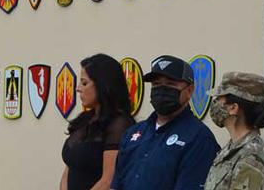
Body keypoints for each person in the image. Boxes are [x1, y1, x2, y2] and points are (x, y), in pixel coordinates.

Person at [111, 55, 220, 190]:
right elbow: (116, 184)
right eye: (156, 84)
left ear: (189, 90)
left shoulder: (199, 138)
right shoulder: (133, 133)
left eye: (170, 84)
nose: (162, 89)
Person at [60, 54, 134, 190]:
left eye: (84, 83)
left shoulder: (119, 124)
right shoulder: (84, 119)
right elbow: (70, 167)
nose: (78, 88)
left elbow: (108, 181)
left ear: (102, 85)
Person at [204, 72, 264, 190]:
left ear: (233, 108)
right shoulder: (233, 149)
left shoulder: (253, 156)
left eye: (218, 99)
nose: (214, 104)